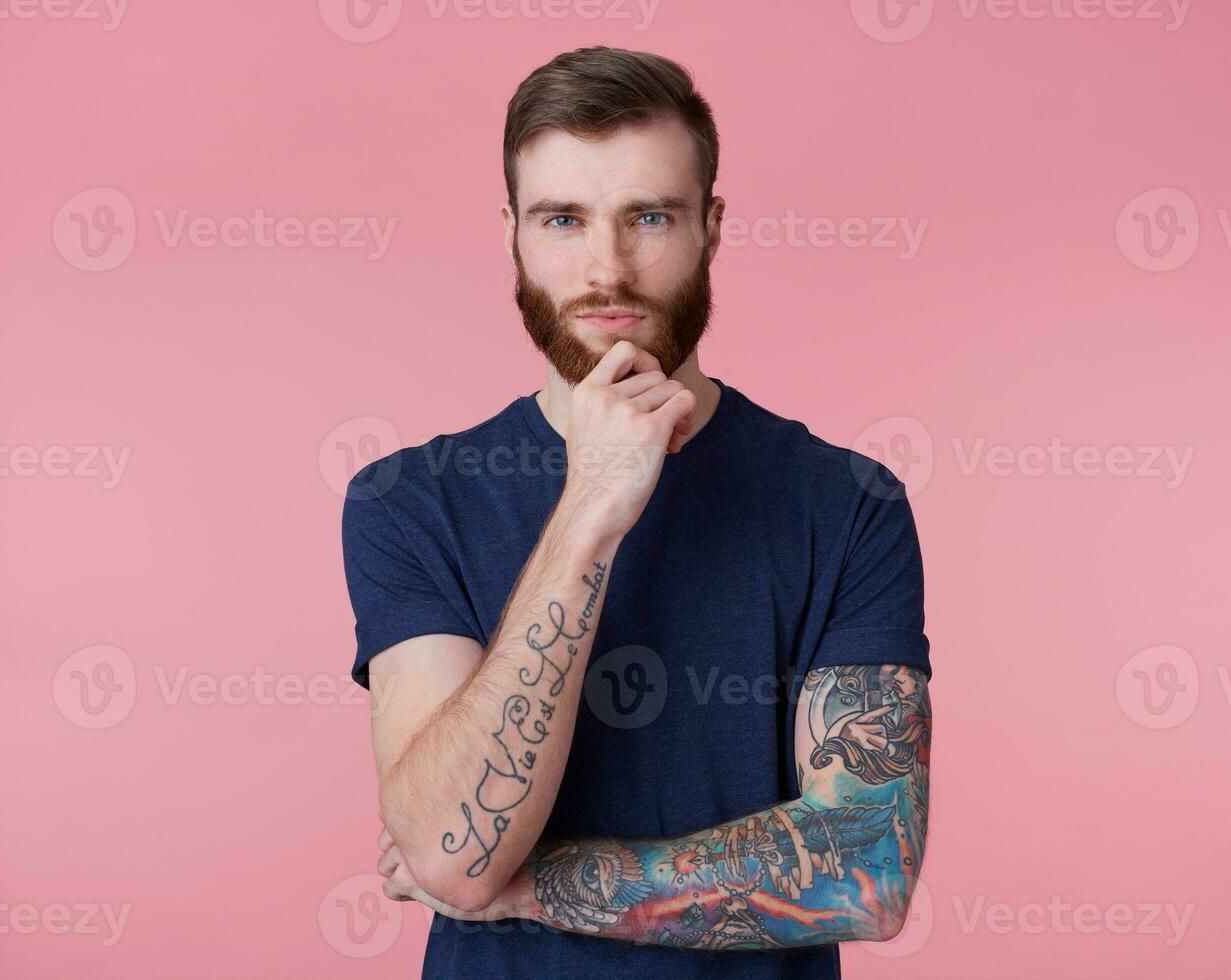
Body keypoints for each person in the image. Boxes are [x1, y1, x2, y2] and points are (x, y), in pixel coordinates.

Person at [342, 45, 932, 980]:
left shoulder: (844, 502)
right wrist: (589, 510)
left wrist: (536, 889)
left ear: (711, 225)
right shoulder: (409, 501)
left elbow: (864, 873)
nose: (605, 269)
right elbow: (456, 852)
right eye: (562, 219)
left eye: (648, 216)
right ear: (511, 233)